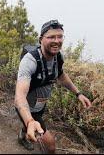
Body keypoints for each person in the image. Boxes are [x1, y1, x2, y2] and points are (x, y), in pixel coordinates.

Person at [14, 19, 92, 153]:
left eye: (60, 36)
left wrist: (78, 94)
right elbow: (19, 97)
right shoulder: (30, 61)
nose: (57, 40)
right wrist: (30, 121)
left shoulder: (57, 57)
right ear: (41, 39)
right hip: (27, 106)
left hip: (40, 105)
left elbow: (61, 76)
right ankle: (28, 127)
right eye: (51, 37)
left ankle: (23, 135)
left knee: (31, 125)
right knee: (50, 145)